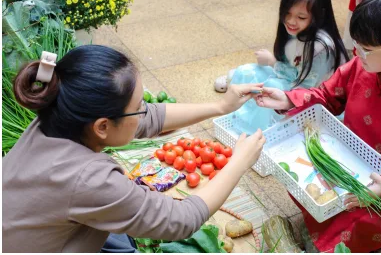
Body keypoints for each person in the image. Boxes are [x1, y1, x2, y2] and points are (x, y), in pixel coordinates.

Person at [2, 45, 266, 253]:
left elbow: (150, 117)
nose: (144, 111)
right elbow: (181, 220)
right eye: (138, 105)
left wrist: (221, 107)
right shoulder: (89, 180)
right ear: (103, 126)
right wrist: (239, 163)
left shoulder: (60, 115)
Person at [255, 0, 381, 253]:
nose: (356, 52)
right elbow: (327, 96)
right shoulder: (361, 66)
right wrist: (288, 99)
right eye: (357, 45)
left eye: (367, 49)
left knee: (360, 224)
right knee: (305, 181)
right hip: (347, 160)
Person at [213, 0, 348, 133]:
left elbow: (307, 89)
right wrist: (275, 65)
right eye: (287, 13)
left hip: (310, 99)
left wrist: (273, 63)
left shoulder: (321, 47)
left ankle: (254, 133)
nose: (291, 21)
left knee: (271, 86)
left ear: (318, 15)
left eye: (301, 17)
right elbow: (292, 70)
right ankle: (235, 119)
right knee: (245, 72)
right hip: (293, 79)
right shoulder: (299, 33)